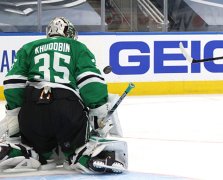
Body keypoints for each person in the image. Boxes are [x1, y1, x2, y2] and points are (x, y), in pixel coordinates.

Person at [0, 17, 127, 173]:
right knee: (77, 145)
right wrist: (99, 112)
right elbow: (91, 83)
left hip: (32, 108)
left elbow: (12, 83)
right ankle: (84, 156)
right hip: (66, 107)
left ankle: (18, 152)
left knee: (36, 148)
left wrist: (15, 113)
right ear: (69, 32)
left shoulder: (29, 48)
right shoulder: (77, 47)